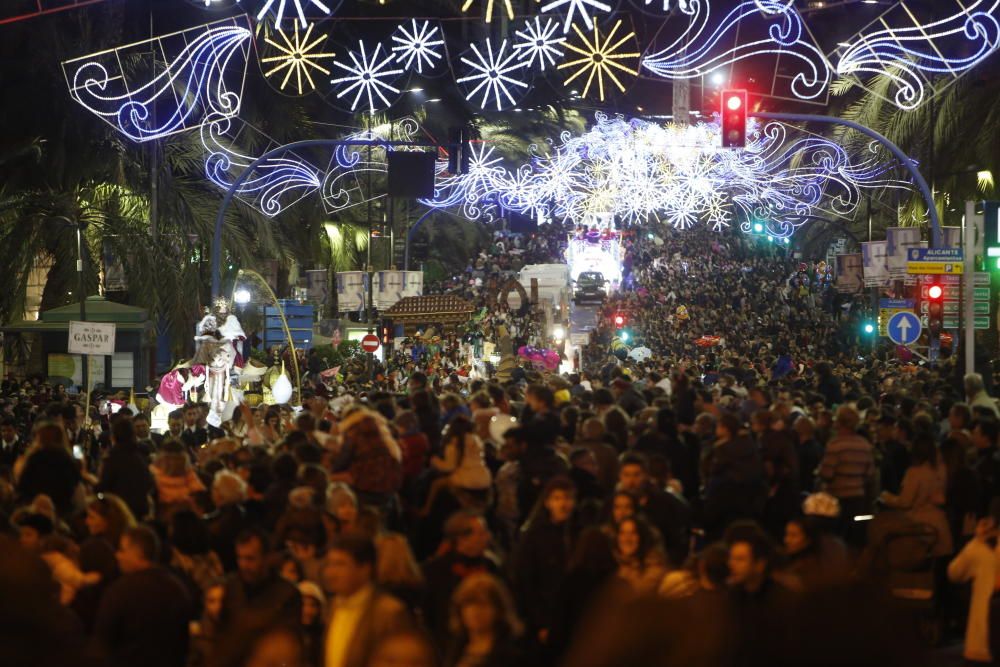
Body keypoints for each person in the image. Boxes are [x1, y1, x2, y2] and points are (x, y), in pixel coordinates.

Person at [94, 526, 192, 667]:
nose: (117, 555)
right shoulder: (177, 588)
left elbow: (103, 638)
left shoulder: (121, 590)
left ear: (138, 553)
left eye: (122, 550)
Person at [323, 533, 411, 667]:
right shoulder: (334, 606)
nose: (331, 573)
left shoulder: (388, 612)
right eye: (329, 564)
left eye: (340, 564)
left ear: (365, 569)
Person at [510, 477, 577, 649]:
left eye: (568, 498)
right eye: (557, 498)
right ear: (547, 502)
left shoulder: (577, 532)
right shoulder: (535, 537)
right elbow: (527, 581)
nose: (563, 504)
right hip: (546, 615)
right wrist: (541, 622)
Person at [422, 511, 499, 644]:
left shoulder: (492, 566)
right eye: (481, 533)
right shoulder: (436, 570)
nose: (488, 537)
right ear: (461, 539)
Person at [873, 435, 953, 557]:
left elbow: (905, 502)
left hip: (918, 526)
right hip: (939, 522)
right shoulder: (941, 471)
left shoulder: (915, 473)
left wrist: (886, 497)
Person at [219, 527, 302, 631]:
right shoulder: (232, 588)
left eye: (250, 558)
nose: (243, 565)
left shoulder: (287, 594)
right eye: (240, 558)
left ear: (266, 558)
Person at [818, 405, 876, 541]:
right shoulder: (864, 445)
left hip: (837, 498)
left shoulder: (835, 445)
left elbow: (826, 474)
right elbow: (870, 475)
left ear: (839, 423)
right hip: (858, 499)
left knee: (836, 537)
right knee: (854, 538)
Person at [444, 573, 524, 667]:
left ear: (498, 610)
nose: (475, 611)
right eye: (468, 604)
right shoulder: (457, 646)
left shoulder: (511, 651)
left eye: (482, 604)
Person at [15, 421, 81, 517]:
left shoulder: (35, 457)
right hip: (62, 510)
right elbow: (74, 485)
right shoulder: (67, 459)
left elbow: (23, 484)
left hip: (35, 508)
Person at [96, 415, 154, 520]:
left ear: (113, 437)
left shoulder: (112, 459)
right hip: (140, 510)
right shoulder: (140, 454)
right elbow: (149, 482)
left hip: (118, 512)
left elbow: (103, 487)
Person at [613, 516, 668, 594]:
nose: (627, 539)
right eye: (622, 533)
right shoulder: (612, 561)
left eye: (633, 533)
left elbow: (639, 593)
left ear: (642, 537)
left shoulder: (654, 564)